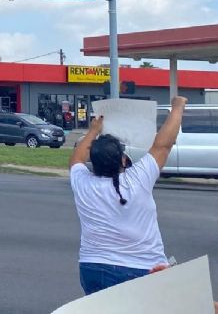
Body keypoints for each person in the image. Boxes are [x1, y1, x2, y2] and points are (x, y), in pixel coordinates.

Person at [68, 96, 187, 295]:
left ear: (93, 163)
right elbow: (163, 145)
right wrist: (178, 107)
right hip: (142, 268)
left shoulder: (81, 181)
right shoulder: (139, 178)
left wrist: (93, 130)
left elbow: (77, 158)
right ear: (123, 159)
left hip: (93, 267)